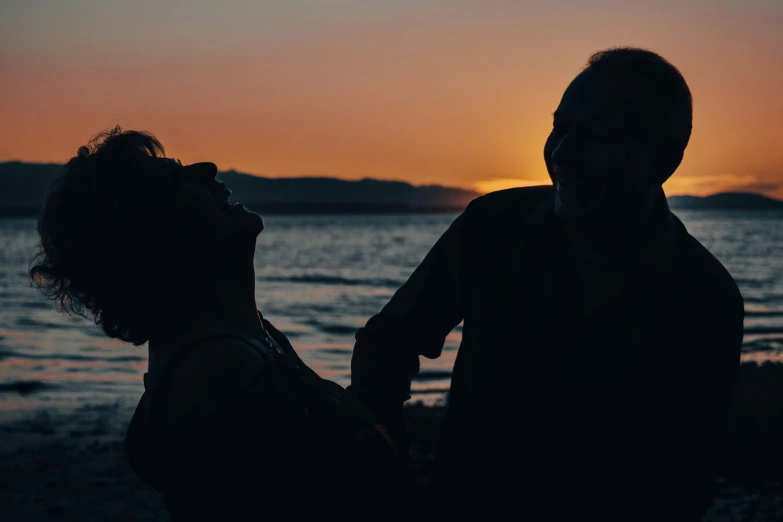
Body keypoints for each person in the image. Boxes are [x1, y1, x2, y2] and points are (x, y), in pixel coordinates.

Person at [349, 47, 744, 520]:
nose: (562, 154)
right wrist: (387, 468)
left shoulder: (705, 297)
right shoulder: (491, 226)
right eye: (559, 127)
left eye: (597, 137)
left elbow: (682, 476)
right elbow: (387, 343)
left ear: (663, 158)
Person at [29, 127, 405, 520]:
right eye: (177, 179)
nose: (206, 168)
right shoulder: (219, 375)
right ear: (157, 239)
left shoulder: (250, 339)